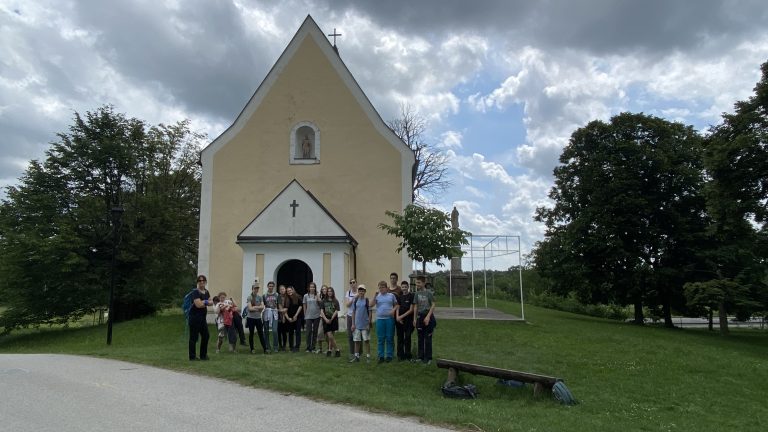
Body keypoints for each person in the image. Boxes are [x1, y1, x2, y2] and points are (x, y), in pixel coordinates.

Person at [371, 280, 398, 363]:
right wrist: (375, 295)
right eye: (380, 287)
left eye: (383, 287)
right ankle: (381, 356)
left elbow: (397, 304)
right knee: (381, 338)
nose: (381, 289)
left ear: (386, 288)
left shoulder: (391, 295)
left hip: (389, 319)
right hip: (380, 320)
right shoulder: (377, 296)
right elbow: (370, 304)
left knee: (390, 338)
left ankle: (389, 355)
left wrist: (393, 310)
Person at [412, 276, 436, 365]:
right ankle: (420, 357)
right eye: (416, 283)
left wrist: (428, 317)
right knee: (420, 338)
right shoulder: (417, 293)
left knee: (428, 338)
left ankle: (428, 358)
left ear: (423, 283)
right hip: (419, 317)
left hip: (428, 317)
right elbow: (415, 306)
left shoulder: (429, 293)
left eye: (418, 282)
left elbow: (433, 305)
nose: (417, 284)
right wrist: (414, 318)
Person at [188, 275, 211, 361]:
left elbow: (211, 302)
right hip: (194, 318)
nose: (202, 282)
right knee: (193, 337)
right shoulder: (195, 292)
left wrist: (204, 302)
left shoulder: (206, 292)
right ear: (198, 282)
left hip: (202, 318)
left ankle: (203, 355)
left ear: (205, 282)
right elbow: (198, 305)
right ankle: (192, 357)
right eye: (200, 280)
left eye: (203, 280)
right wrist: (206, 302)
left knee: (206, 336)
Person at [349, 284, 372, 363]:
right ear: (358, 292)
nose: (361, 292)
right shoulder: (355, 301)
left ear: (365, 291)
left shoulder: (366, 300)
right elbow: (353, 312)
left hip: (365, 325)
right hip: (357, 325)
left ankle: (368, 357)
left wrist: (369, 323)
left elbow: (370, 312)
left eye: (362, 291)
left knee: (366, 341)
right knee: (357, 341)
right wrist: (353, 324)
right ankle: (356, 356)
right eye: (360, 291)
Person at [246, 282, 268, 354]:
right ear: (252, 289)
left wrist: (255, 307)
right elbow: (250, 309)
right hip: (251, 318)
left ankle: (265, 349)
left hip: (258, 318)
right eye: (255, 288)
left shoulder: (260, 297)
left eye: (257, 288)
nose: (256, 290)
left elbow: (263, 306)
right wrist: (258, 308)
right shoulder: (250, 297)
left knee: (261, 333)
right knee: (251, 333)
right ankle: (252, 349)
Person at [395, 280, 415, 361]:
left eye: (405, 287)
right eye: (402, 287)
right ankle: (400, 355)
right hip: (399, 321)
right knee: (400, 338)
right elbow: (397, 307)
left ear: (408, 287)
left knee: (407, 337)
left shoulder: (411, 296)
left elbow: (411, 310)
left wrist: (401, 316)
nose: (404, 288)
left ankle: (408, 355)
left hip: (408, 321)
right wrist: (397, 317)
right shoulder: (399, 297)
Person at [321, 286, 341, 357]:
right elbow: (322, 311)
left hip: (333, 319)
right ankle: (337, 349)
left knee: (331, 336)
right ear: (327, 293)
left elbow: (336, 310)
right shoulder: (323, 301)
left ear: (333, 292)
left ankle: (329, 350)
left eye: (331, 291)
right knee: (329, 335)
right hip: (326, 320)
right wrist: (326, 319)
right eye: (328, 291)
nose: (329, 292)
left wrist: (331, 319)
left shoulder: (335, 301)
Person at [303, 282, 321, 353]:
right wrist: (305, 314)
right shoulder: (306, 296)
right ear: (309, 288)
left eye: (313, 287)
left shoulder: (317, 295)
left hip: (316, 315)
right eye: (311, 287)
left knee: (315, 332)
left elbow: (320, 304)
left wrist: (318, 296)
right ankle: (308, 347)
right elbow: (304, 305)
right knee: (308, 332)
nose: (312, 288)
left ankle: (313, 347)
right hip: (308, 316)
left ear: (315, 288)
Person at [262, 281, 280, 353]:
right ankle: (267, 346)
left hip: (274, 313)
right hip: (266, 313)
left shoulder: (276, 295)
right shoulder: (264, 295)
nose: (271, 287)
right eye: (270, 286)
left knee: (275, 330)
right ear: (267, 286)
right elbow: (263, 304)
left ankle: (275, 346)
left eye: (272, 286)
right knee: (266, 330)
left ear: (273, 287)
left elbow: (279, 304)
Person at [285, 286, 303, 352]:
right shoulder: (286, 299)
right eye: (288, 291)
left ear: (293, 290)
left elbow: (301, 306)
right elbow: (285, 310)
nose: (289, 292)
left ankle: (297, 347)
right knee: (290, 332)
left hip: (298, 317)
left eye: (290, 290)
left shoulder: (298, 297)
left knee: (298, 332)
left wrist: (296, 315)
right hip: (290, 318)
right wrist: (288, 318)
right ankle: (291, 347)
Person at [344, 278, 357, 359]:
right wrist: (353, 298)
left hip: (358, 315)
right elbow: (347, 305)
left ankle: (359, 352)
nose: (352, 284)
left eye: (354, 282)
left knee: (358, 334)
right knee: (350, 335)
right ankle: (352, 352)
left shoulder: (360, 291)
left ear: (356, 283)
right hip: (349, 315)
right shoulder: (348, 293)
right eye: (351, 283)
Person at [315, 285, 328, 354]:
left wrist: (318, 298)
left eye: (325, 289)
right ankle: (320, 349)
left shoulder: (329, 297)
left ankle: (329, 349)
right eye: (323, 289)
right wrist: (318, 297)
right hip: (321, 317)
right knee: (319, 333)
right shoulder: (321, 297)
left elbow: (322, 302)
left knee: (328, 335)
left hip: (328, 317)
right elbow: (319, 304)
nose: (324, 290)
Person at [277, 285, 288, 352]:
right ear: (279, 290)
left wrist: (284, 316)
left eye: (283, 289)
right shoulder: (278, 297)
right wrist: (282, 316)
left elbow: (287, 308)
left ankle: (284, 346)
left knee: (284, 332)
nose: (282, 290)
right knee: (279, 332)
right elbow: (280, 307)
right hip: (278, 316)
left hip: (286, 316)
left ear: (285, 289)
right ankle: (280, 345)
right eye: (280, 289)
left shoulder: (287, 297)